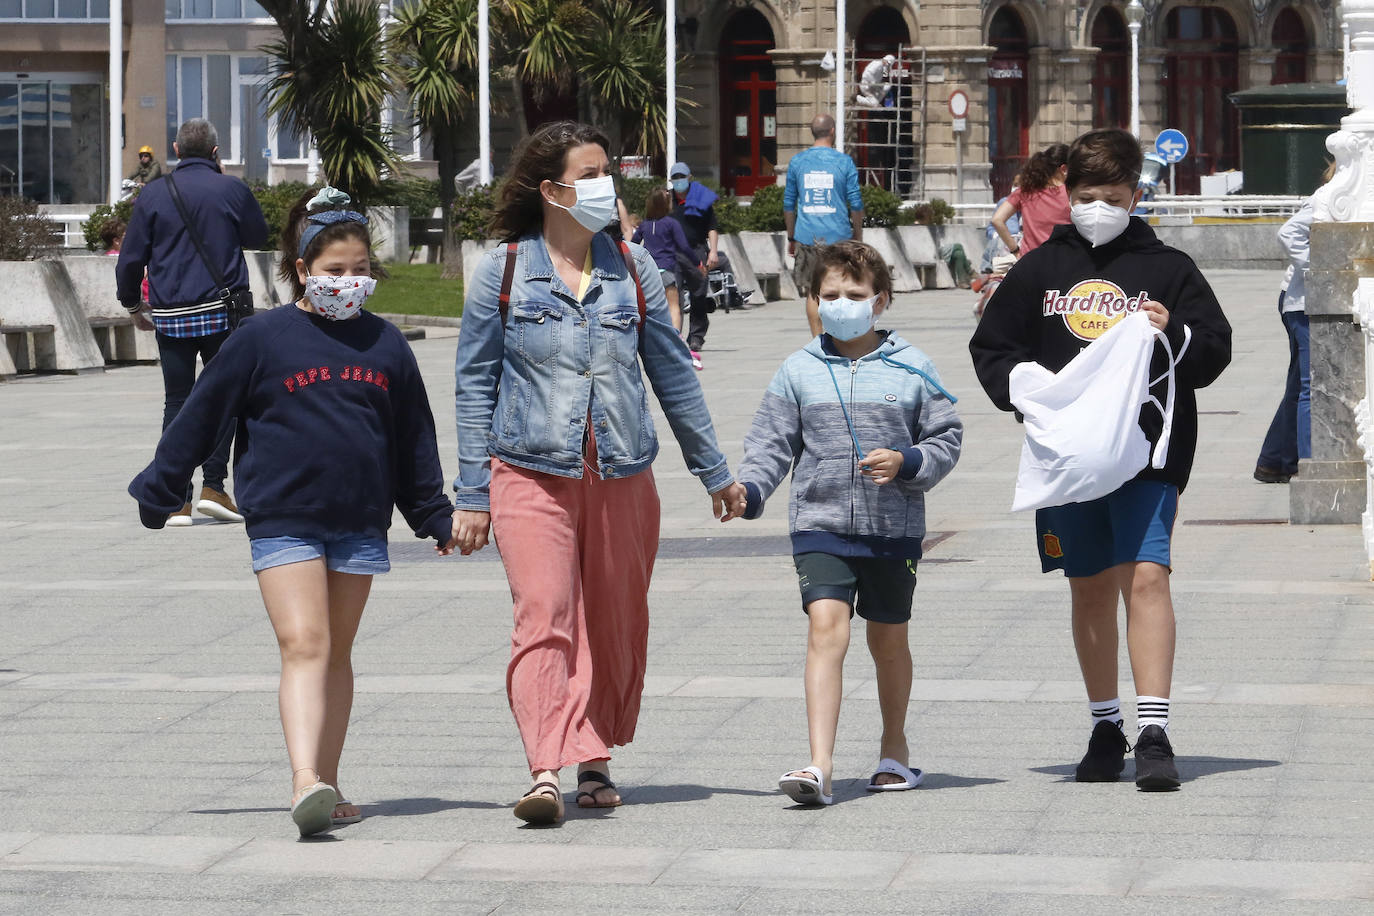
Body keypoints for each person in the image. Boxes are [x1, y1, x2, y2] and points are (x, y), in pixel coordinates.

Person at [129, 187, 457, 836]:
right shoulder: (260, 339)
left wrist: (433, 514)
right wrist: (162, 487)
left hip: (360, 519)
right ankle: (304, 778)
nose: (350, 281)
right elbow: (201, 416)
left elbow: (414, 437)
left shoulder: (386, 345)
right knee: (304, 642)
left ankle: (327, 783)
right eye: (335, 270)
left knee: (336, 653)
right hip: (284, 517)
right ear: (303, 271)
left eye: (360, 268)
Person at [453, 121, 748, 826]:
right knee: (544, 616)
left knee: (614, 623)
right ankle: (547, 768)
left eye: (605, 172)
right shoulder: (503, 272)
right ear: (552, 190)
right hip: (528, 472)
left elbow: (674, 376)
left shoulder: (633, 269)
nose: (605, 186)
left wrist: (715, 473)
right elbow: (473, 385)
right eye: (590, 174)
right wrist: (471, 494)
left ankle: (595, 756)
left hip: (620, 474)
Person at [969, 128, 1232, 791]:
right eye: (1086, 197)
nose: (1097, 209)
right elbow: (992, 347)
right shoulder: (1041, 269)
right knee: (1087, 586)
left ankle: (1153, 729)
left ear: (1136, 195)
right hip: (1069, 459)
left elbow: (1215, 350)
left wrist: (1173, 329)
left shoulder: (1168, 266)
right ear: (1065, 194)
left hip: (1150, 451)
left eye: (1112, 197)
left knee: (1148, 576)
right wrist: (1026, 397)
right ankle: (1104, 723)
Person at [732, 240, 962, 805]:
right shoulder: (798, 370)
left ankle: (894, 751)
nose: (841, 303)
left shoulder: (913, 366)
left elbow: (947, 437)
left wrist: (908, 460)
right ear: (813, 300)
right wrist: (751, 489)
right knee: (825, 631)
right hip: (820, 524)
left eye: (854, 294)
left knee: (888, 641)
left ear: (879, 300)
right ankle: (819, 765)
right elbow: (770, 442)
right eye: (829, 294)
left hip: (893, 529)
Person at [116, 118, 269, 526]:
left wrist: (133, 305)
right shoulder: (231, 188)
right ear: (216, 153)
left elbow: (132, 257)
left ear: (175, 149)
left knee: (178, 402)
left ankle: (176, 497)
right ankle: (214, 487)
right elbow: (258, 236)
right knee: (225, 398)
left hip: (171, 315)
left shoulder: (153, 194)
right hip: (223, 311)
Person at [1254, 186, 1321, 484]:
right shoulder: (1332, 195)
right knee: (1310, 385)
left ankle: (1274, 461)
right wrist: (1322, 270)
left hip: (1304, 300)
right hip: (1304, 301)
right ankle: (1308, 469)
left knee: (1300, 384)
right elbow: (1288, 233)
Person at [784, 113, 865, 337]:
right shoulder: (844, 162)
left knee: (813, 290)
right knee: (840, 289)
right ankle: (839, 336)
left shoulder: (797, 162)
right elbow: (856, 203)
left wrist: (791, 237)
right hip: (839, 237)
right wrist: (857, 235)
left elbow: (789, 204)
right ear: (832, 132)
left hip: (806, 236)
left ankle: (817, 339)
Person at [668, 160, 749, 369]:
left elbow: (712, 228)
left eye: (681, 177)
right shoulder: (667, 200)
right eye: (674, 178)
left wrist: (712, 251)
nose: (678, 182)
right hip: (673, 253)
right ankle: (674, 336)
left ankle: (696, 337)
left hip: (696, 252)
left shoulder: (700, 199)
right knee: (674, 295)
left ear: (689, 178)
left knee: (698, 296)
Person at [990, 143, 1071, 259]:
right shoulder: (1071, 194)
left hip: (1030, 261)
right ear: (1064, 169)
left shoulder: (1025, 192)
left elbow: (997, 220)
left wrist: (1015, 250)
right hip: (1063, 260)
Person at [632, 187, 694, 333]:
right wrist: (698, 263)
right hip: (667, 270)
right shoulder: (671, 223)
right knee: (673, 306)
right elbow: (684, 246)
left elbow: (633, 243)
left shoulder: (644, 225)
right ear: (666, 204)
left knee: (650, 309)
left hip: (649, 272)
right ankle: (675, 338)